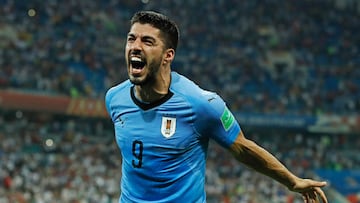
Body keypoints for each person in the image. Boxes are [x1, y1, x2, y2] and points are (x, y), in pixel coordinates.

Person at [105, 10, 328, 203]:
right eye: (131, 39)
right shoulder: (115, 98)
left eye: (147, 41)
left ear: (168, 55)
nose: (135, 47)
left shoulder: (201, 104)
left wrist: (292, 181)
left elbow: (243, 148)